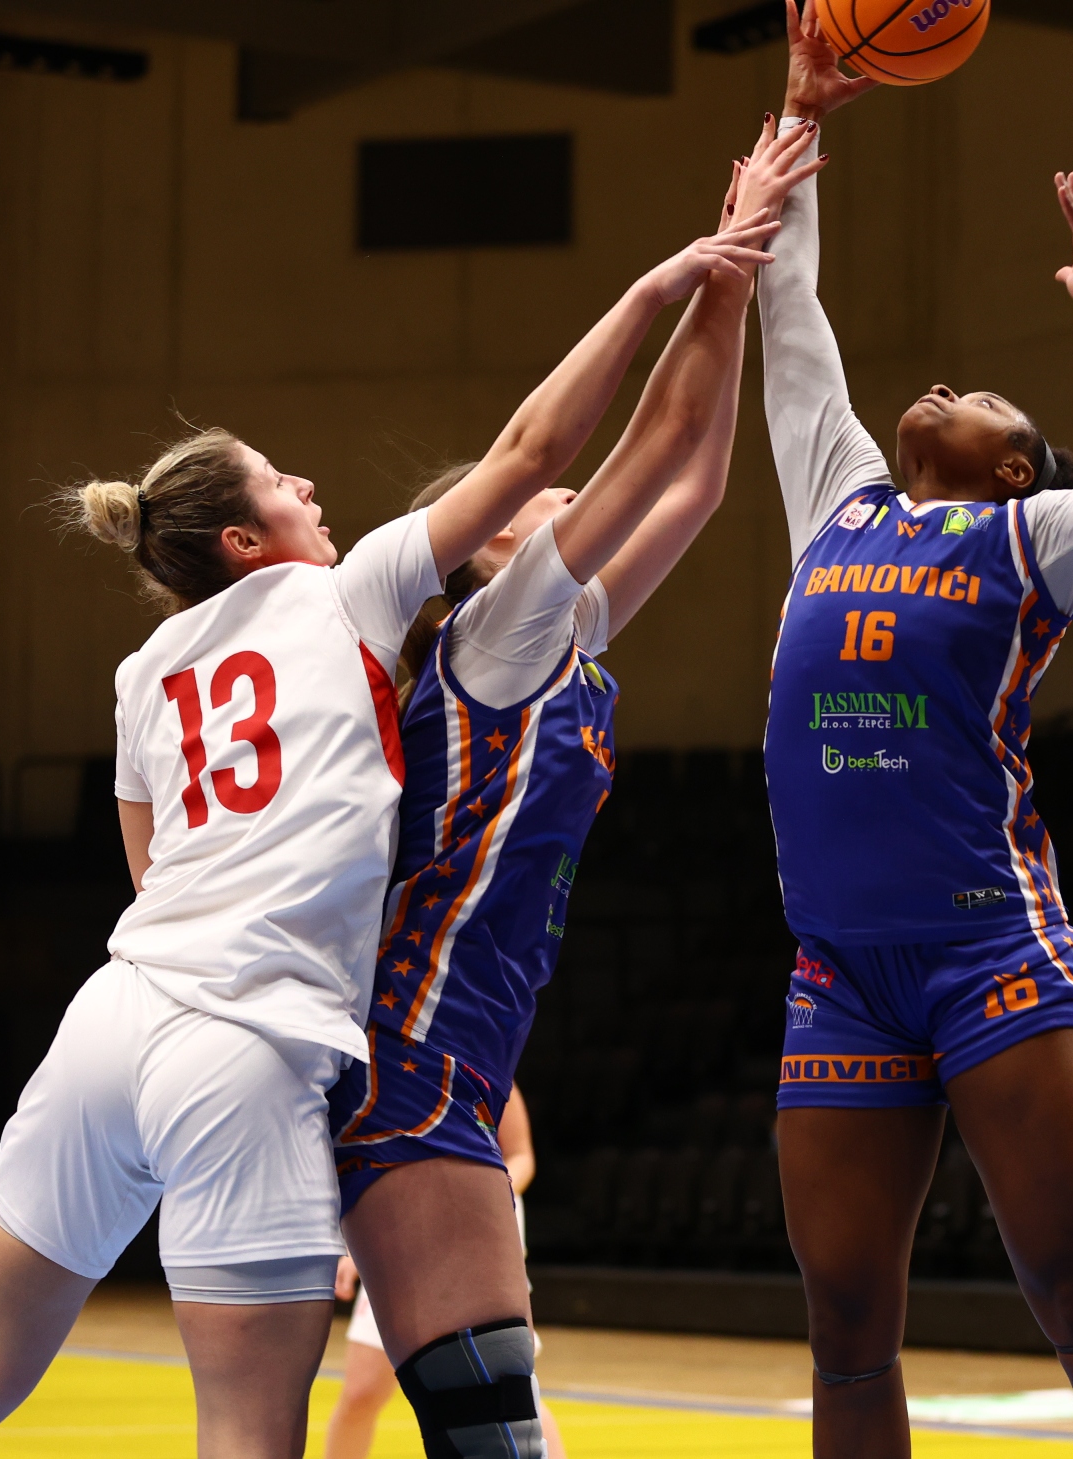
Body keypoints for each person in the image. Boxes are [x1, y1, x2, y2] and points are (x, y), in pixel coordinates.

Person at [0, 209, 781, 1459]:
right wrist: (678, 277)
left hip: (118, 1011)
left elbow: (147, 875)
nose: (310, 487)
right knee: (253, 1428)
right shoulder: (357, 596)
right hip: (259, 1036)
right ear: (245, 540)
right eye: (284, 482)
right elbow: (545, 445)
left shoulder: (142, 671)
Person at [757, 8, 1073, 1456]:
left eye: (980, 400)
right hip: (842, 966)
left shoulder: (1037, 537)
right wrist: (804, 113)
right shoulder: (837, 497)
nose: (948, 386)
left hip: (987, 951)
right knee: (845, 1327)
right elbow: (788, 310)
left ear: (1012, 466)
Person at [325, 123, 822, 1459]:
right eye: (546, 492)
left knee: (487, 1423)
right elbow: (661, 434)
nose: (562, 492)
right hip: (415, 1048)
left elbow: (698, 479)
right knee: (494, 1425)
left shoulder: (566, 640)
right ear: (494, 547)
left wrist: (742, 270)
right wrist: (725, 256)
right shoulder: (498, 635)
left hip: (458, 1053)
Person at [325, 1093, 562, 1459]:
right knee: (361, 1392)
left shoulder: (486, 1071)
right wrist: (354, 1245)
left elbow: (521, 1155)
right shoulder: (380, 1069)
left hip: (480, 1228)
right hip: (400, 1230)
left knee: (508, 1392)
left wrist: (481, 1195)